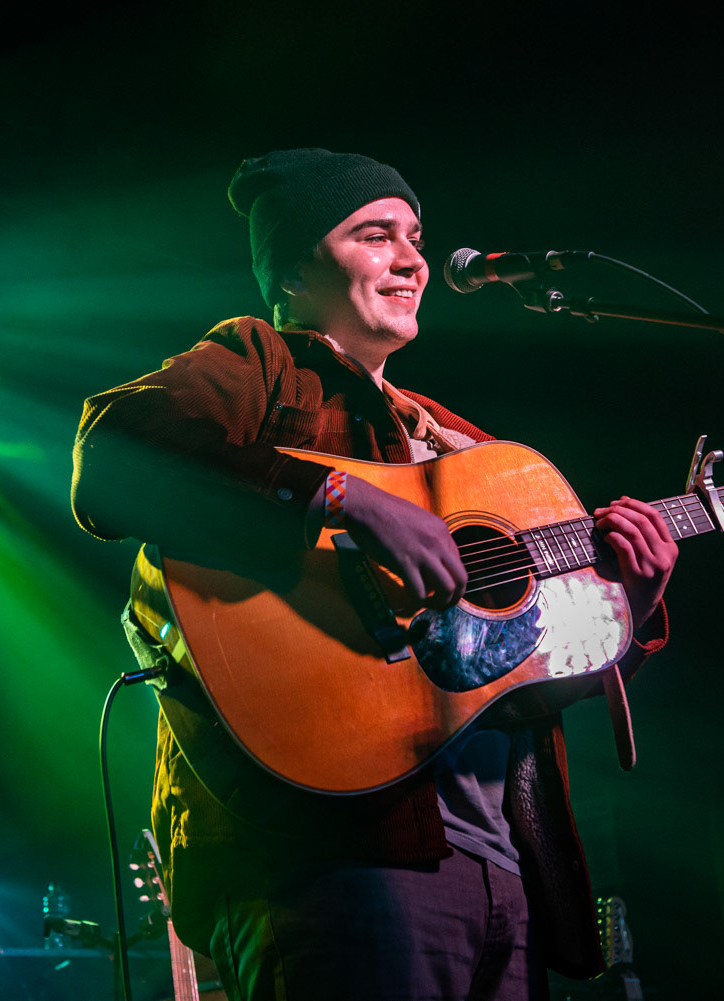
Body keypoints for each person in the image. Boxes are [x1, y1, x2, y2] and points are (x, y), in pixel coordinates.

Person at [71, 149, 678, 1001]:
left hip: (499, 864)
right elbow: (114, 455)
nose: (413, 260)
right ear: (293, 269)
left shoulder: (460, 443)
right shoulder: (261, 362)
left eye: (416, 237)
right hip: (335, 860)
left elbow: (517, 677)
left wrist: (628, 604)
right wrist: (337, 494)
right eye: (374, 233)